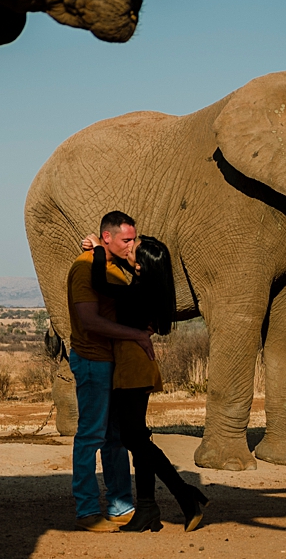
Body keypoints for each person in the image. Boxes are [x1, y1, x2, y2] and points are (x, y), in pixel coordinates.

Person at [101, 233, 210, 532]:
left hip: (132, 368)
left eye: (134, 249)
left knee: (132, 438)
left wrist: (99, 253)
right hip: (135, 367)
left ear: (141, 267)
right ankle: (148, 507)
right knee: (137, 437)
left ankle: (183, 493)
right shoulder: (147, 288)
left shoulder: (135, 293)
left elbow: (102, 289)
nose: (129, 249)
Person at [64, 211, 139, 531]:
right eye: (126, 240)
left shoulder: (115, 266)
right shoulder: (84, 268)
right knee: (91, 435)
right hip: (93, 360)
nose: (132, 245)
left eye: (134, 239)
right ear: (107, 237)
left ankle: (121, 506)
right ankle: (87, 509)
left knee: (114, 436)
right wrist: (135, 335)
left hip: (111, 361)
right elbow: (90, 320)